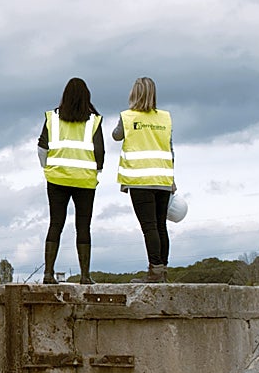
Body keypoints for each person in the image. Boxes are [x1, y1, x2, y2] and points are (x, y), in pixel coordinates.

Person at [38, 77, 104, 284]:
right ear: (87, 97)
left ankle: (48, 274)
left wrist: (48, 167)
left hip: (57, 178)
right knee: (83, 226)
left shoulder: (53, 118)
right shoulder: (94, 120)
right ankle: (85, 276)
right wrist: (97, 171)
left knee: (55, 223)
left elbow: (42, 147)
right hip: (84, 181)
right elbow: (100, 151)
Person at [113, 76, 174, 282]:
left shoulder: (128, 117)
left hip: (140, 180)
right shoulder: (165, 118)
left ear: (134, 93)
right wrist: (173, 180)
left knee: (149, 227)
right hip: (163, 179)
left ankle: (154, 272)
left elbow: (116, 135)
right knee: (160, 226)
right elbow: (169, 148)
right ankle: (162, 270)